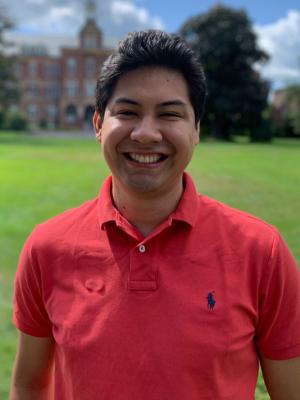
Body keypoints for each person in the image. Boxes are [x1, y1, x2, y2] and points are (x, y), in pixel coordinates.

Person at [10, 30, 300, 400]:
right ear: (99, 125)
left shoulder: (262, 252)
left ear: (196, 130)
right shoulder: (47, 247)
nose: (146, 133)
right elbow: (29, 384)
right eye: (127, 112)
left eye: (170, 114)